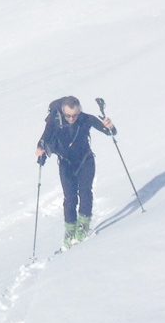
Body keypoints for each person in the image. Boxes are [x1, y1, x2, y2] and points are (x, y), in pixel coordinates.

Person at [36, 96, 116, 248]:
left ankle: (83, 227)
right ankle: (70, 230)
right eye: (68, 115)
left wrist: (110, 126)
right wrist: (41, 153)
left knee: (85, 192)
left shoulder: (86, 119)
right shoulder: (55, 121)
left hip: (86, 160)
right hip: (66, 164)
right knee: (70, 198)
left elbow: (110, 132)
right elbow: (43, 140)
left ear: (80, 111)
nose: (72, 118)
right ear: (63, 112)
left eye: (75, 115)